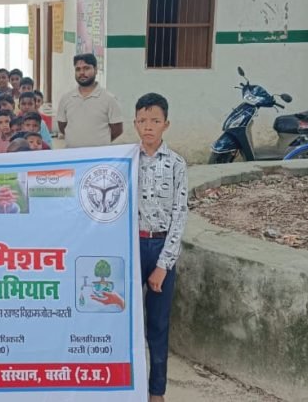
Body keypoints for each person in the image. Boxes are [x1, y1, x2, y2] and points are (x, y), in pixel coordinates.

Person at [134, 93, 188, 402]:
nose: (148, 127)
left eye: (155, 121)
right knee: (125, 322)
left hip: (160, 248)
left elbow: (179, 216)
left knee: (157, 325)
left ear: (166, 124)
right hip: (132, 246)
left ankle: (156, 393)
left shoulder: (176, 164)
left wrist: (163, 265)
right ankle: (128, 388)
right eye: (142, 121)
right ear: (135, 124)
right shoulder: (127, 161)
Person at [57, 53, 123, 148]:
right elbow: (62, 126)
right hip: (72, 153)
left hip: (99, 155)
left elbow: (117, 130)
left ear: (95, 70)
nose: (82, 73)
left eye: (86, 68)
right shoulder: (66, 98)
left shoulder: (109, 99)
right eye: (78, 69)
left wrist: (100, 142)